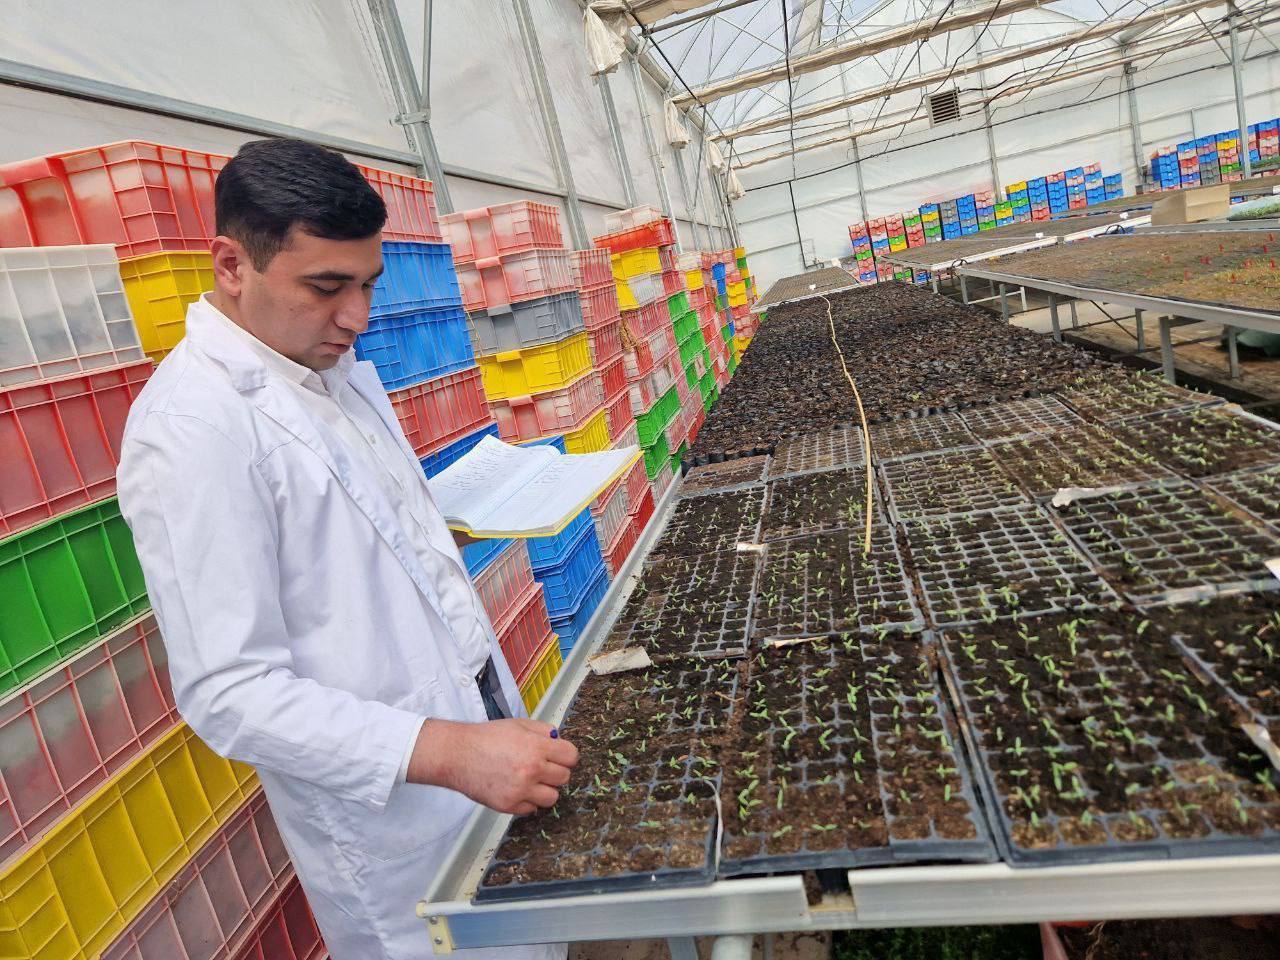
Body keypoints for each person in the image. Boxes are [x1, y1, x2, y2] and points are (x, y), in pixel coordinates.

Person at [117, 138, 579, 960]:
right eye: (326, 287)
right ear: (232, 264)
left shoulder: (328, 362)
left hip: (477, 725)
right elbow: (229, 691)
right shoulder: (191, 431)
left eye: (368, 284)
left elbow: (343, 524)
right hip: (399, 820)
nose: (357, 317)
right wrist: (446, 749)